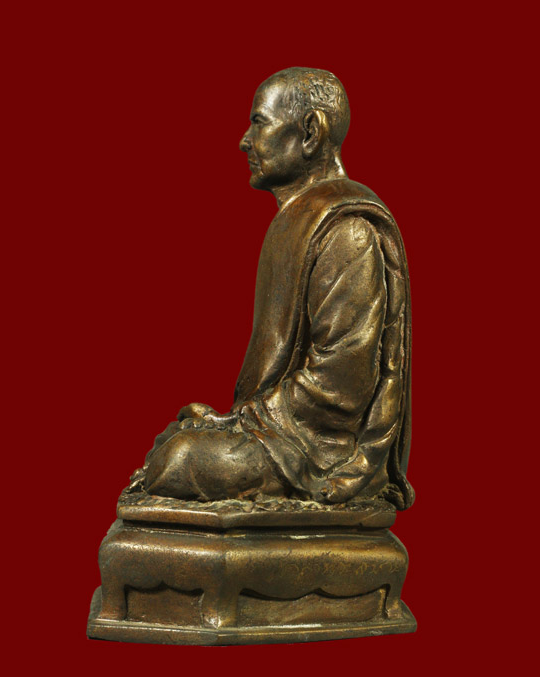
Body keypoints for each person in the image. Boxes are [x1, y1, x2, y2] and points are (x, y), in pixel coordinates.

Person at [143, 67, 414, 509]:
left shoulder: (347, 233)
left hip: (319, 449)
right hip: (278, 427)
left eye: (259, 123)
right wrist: (233, 421)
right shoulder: (298, 218)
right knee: (175, 440)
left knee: (181, 459)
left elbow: (341, 384)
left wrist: (243, 422)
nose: (244, 141)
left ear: (309, 133)